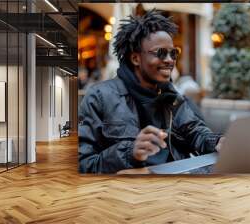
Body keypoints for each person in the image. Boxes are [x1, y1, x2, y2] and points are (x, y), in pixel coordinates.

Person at [78, 10, 224, 173]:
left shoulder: (171, 96)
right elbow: (84, 164)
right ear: (135, 58)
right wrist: (130, 153)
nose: (169, 60)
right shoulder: (99, 97)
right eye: (160, 53)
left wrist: (217, 141)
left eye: (173, 53)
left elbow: (194, 131)